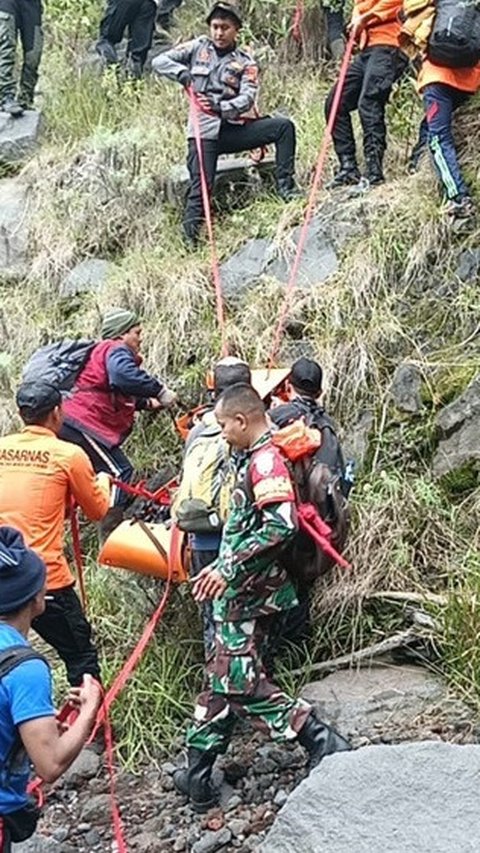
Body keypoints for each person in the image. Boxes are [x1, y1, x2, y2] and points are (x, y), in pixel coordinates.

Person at [174, 383, 351, 813]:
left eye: (223, 426)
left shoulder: (266, 460)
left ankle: (322, 738)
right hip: (242, 591)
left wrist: (226, 566)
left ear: (242, 420)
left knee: (240, 683)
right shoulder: (248, 456)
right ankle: (197, 775)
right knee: (223, 677)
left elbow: (281, 524)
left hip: (248, 593)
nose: (221, 433)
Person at [152, 1, 300, 246]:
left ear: (236, 30)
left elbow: (247, 97)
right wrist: (183, 74)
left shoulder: (246, 62)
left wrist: (222, 108)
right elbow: (159, 62)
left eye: (225, 28)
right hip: (203, 132)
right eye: (215, 27)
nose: (219, 33)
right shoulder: (197, 47)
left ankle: (286, 188)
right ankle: (189, 240)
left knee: (284, 127)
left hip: (233, 128)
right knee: (201, 188)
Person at [0, 381, 110, 687]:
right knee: (80, 656)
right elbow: (97, 511)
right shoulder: (68, 455)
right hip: (44, 577)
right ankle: (90, 728)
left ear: (21, 413)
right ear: (57, 413)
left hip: (2, 569)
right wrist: (103, 483)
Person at [0, 526, 101, 850]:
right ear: (32, 597)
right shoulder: (26, 668)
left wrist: (28, 731)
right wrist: (89, 711)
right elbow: (51, 764)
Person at [60, 307, 177, 538]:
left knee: (94, 476)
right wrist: (160, 390)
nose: (140, 338)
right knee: (118, 471)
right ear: (121, 334)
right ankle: (111, 534)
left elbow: (112, 390)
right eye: (136, 332)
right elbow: (123, 376)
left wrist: (150, 403)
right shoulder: (115, 349)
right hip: (81, 422)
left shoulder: (102, 354)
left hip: (74, 421)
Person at [174, 356, 252, 658]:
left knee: (210, 613)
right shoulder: (244, 427)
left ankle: (213, 674)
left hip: (199, 534)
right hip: (236, 539)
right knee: (239, 617)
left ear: (213, 388)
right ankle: (240, 682)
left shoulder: (197, 430)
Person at [325, 0, 408, 187]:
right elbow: (360, 8)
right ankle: (348, 167)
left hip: (390, 45)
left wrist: (364, 18)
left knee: (369, 102)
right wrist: (357, 27)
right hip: (367, 51)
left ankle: (374, 170)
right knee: (335, 102)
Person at [416, 58, 480, 221]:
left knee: (438, 139)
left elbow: (411, 39)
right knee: (427, 126)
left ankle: (458, 197)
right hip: (471, 81)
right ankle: (416, 166)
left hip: (438, 79)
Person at [0, 0, 43, 116]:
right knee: (6, 50)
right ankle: (5, 96)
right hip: (6, 3)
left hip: (32, 5)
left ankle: (26, 98)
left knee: (34, 55)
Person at [96, 0, 156, 78]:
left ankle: (112, 73)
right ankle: (133, 82)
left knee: (106, 39)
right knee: (138, 53)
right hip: (148, 3)